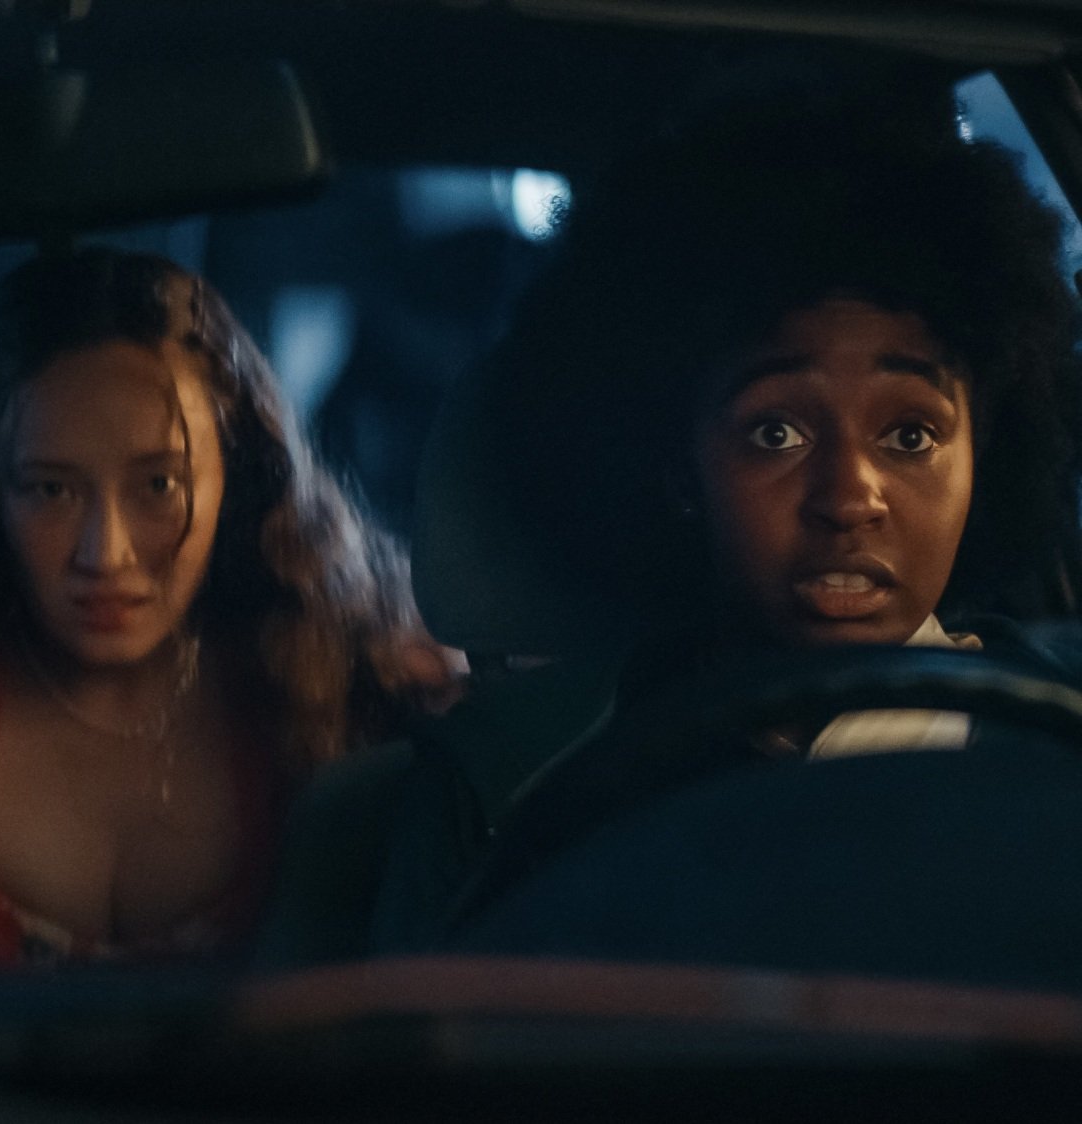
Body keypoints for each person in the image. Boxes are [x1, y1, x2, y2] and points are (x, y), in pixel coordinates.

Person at [444, 91, 1082, 919]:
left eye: (913, 437)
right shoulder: (520, 776)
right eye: (775, 432)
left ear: (985, 459)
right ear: (677, 469)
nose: (851, 498)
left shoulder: (1058, 742)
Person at [0, 247, 468, 967]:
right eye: (50, 490)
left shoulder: (354, 675)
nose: (106, 554)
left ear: (240, 473)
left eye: (160, 486)